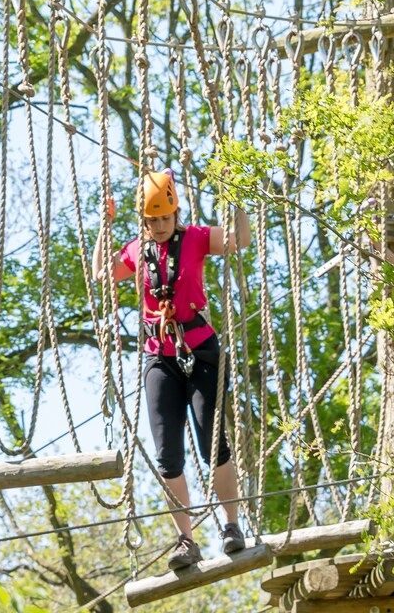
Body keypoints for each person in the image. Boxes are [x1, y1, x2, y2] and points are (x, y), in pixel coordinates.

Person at [96, 169, 254, 573]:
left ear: (176, 214)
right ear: (144, 220)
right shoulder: (136, 250)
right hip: (158, 357)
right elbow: (103, 273)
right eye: (154, 220)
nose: (162, 226)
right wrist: (105, 225)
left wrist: (237, 203)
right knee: (168, 454)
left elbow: (240, 241)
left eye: (167, 218)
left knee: (211, 440)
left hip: (199, 349)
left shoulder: (197, 238)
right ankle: (186, 539)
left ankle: (232, 526)